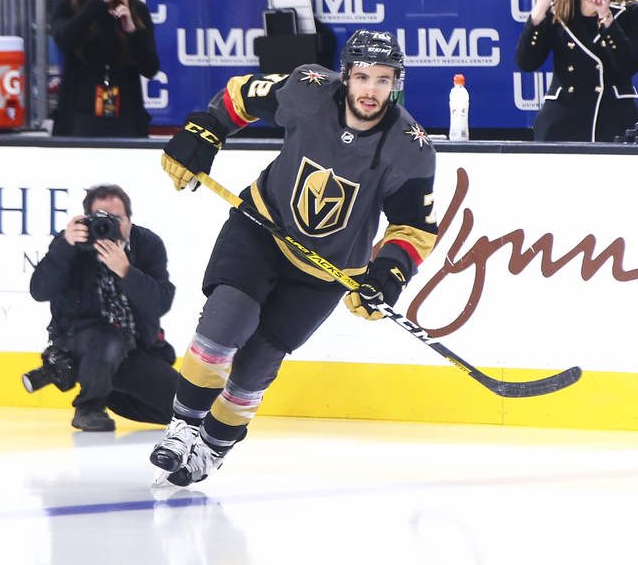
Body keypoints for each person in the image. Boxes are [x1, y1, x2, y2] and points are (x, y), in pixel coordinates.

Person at [149, 29, 438, 486]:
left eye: (383, 80)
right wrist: (206, 128)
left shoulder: (410, 147)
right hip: (261, 229)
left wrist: (390, 272)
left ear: (395, 83)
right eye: (362, 76)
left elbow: (413, 228)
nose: (370, 89)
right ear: (345, 75)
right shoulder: (308, 89)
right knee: (226, 322)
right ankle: (183, 428)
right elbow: (240, 95)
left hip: (325, 270)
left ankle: (213, 446)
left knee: (257, 363)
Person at [29, 184, 178, 432]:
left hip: (134, 351)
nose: (108, 225)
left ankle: (106, 389)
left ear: (129, 221)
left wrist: (126, 271)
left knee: (186, 408)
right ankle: (89, 407)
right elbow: (39, 291)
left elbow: (160, 303)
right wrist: (65, 246)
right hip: (81, 342)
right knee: (109, 339)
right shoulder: (70, 244)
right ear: (86, 220)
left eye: (116, 219)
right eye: (100, 218)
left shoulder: (147, 244)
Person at [516, 0, 638, 142]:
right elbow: (526, 62)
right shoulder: (556, 13)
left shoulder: (633, 10)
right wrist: (539, 10)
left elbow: (629, 65)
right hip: (561, 122)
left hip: (613, 119)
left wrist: (605, 16)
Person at [50, 0, 161, 137]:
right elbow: (65, 40)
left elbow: (150, 68)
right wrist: (98, 1)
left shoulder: (137, 9)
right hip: (78, 120)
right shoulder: (67, 7)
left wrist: (131, 31)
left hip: (126, 119)